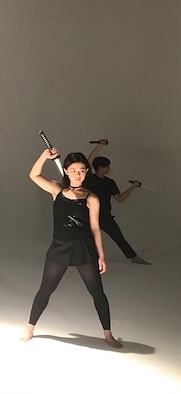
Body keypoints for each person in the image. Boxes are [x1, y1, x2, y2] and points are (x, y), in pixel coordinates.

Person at [20, 148, 122, 348]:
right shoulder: (57, 190)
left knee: (98, 293)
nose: (78, 174)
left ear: (87, 172)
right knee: (45, 290)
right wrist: (44, 156)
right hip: (59, 247)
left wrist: (101, 255)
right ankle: (30, 328)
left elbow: (95, 228)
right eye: (74, 170)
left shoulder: (91, 198)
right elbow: (34, 175)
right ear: (66, 171)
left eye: (82, 170)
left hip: (84, 248)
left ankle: (108, 335)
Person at [85, 139, 150, 264]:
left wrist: (133, 187)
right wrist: (99, 146)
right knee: (87, 239)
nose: (109, 168)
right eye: (107, 166)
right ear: (100, 168)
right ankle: (89, 260)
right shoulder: (90, 179)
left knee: (118, 237)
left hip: (105, 216)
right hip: (89, 215)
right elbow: (88, 163)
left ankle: (133, 257)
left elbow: (119, 198)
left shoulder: (110, 182)